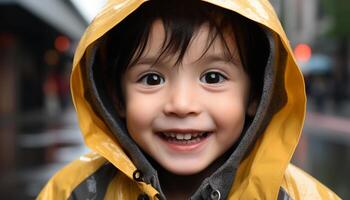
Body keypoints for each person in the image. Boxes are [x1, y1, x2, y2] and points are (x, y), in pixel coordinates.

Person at [38, 0, 341, 199]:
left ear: (254, 94)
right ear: (117, 97)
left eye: (212, 78)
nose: (182, 105)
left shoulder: (300, 196)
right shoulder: (73, 193)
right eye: (152, 79)